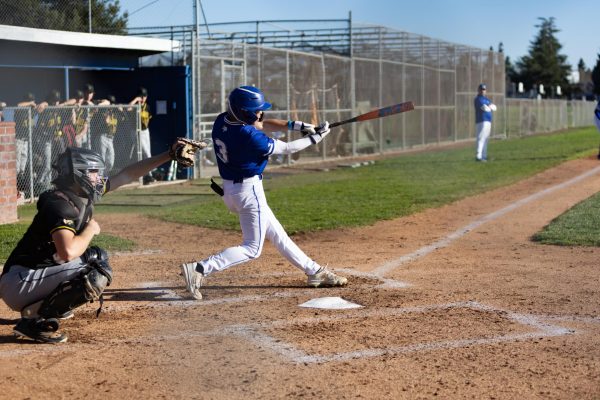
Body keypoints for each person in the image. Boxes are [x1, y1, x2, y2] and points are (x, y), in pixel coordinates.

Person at [0, 141, 189, 343]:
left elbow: (127, 175)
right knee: (96, 270)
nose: (99, 177)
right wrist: (91, 229)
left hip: (29, 279)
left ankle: (51, 306)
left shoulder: (79, 195)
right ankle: (34, 320)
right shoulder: (60, 204)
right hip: (19, 283)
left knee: (96, 257)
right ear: (78, 173)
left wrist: (168, 155)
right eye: (93, 172)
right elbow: (67, 252)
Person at [179, 85, 348, 300]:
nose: (260, 113)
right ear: (244, 112)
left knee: (278, 235)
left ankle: (314, 271)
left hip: (231, 191)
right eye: (256, 109)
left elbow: (262, 124)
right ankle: (200, 269)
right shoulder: (248, 136)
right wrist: (317, 137)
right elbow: (287, 149)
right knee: (252, 248)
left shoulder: (223, 120)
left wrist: (300, 125)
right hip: (249, 192)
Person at [129, 87, 154, 184]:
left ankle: (148, 175)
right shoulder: (136, 105)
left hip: (145, 131)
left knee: (148, 153)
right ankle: (148, 175)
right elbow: (128, 108)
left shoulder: (147, 107)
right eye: (141, 96)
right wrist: (136, 99)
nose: (143, 98)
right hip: (136, 131)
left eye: (144, 96)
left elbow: (149, 119)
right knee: (145, 153)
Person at [474, 83, 497, 162]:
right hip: (481, 121)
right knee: (481, 138)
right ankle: (478, 156)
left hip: (488, 121)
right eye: (481, 89)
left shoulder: (486, 99)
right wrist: (489, 107)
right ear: (479, 90)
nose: (483, 91)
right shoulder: (478, 99)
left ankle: (484, 156)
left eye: (484, 89)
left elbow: (494, 107)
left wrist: (490, 106)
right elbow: (485, 108)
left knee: (486, 139)